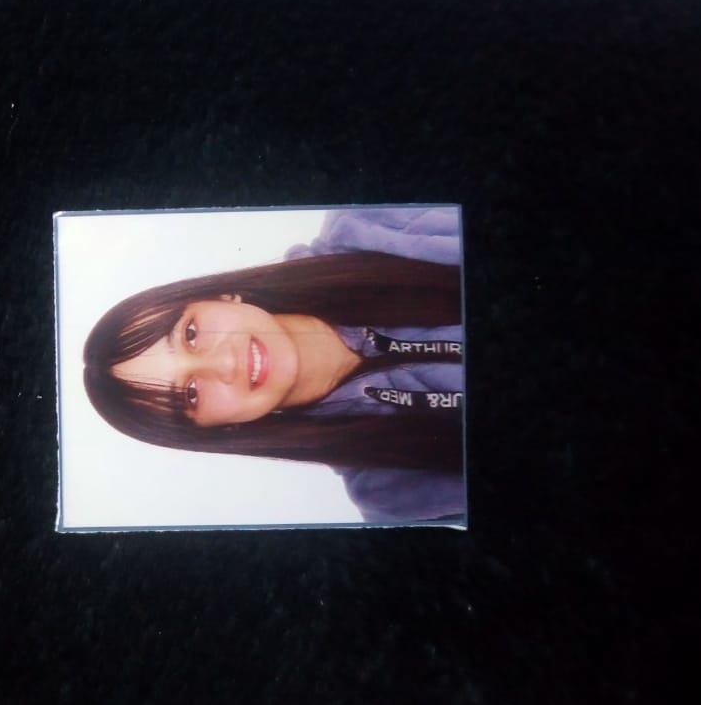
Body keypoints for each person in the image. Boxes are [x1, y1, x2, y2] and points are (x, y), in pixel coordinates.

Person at [82, 207, 465, 523]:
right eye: (191, 393)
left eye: (191, 334)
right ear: (218, 428)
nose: (225, 363)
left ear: (221, 296)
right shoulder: (388, 493)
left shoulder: (371, 223)